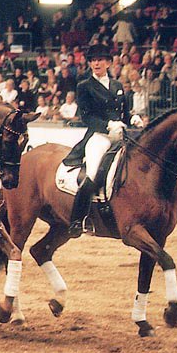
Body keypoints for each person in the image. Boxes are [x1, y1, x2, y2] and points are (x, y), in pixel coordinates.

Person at [62, 44, 130, 238]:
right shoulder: (84, 86)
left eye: (100, 59)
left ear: (108, 62)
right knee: (92, 173)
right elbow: (87, 117)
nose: (96, 63)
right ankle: (79, 219)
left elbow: (125, 112)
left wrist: (132, 119)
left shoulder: (117, 86)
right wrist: (108, 125)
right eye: (93, 60)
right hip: (98, 136)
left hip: (119, 134)